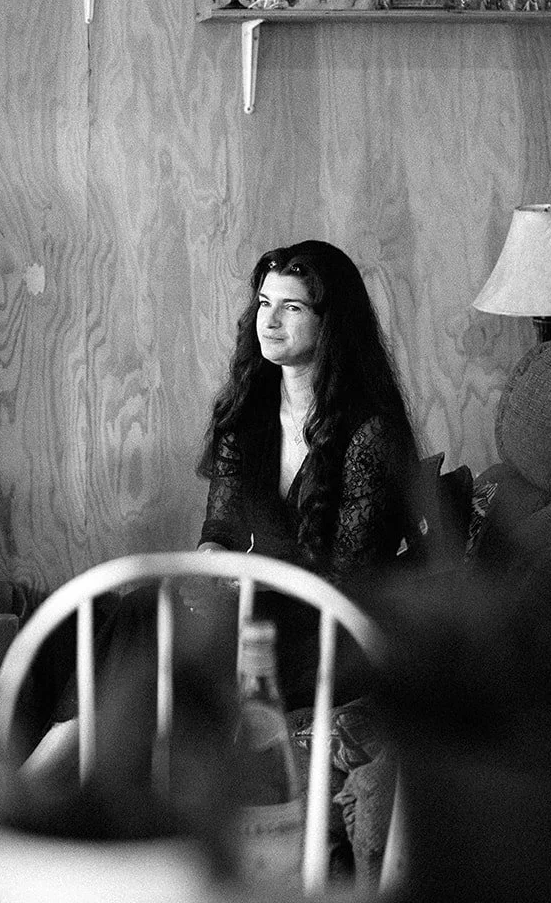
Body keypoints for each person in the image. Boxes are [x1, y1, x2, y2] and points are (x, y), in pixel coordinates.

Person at [195, 238, 422, 882]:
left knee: (187, 655)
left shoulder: (369, 429)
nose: (269, 320)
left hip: (333, 622)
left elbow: (350, 574)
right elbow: (220, 523)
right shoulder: (250, 412)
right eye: (264, 303)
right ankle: (20, 779)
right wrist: (214, 561)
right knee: (132, 615)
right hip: (260, 602)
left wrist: (249, 583)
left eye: (291, 307)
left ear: (329, 322)